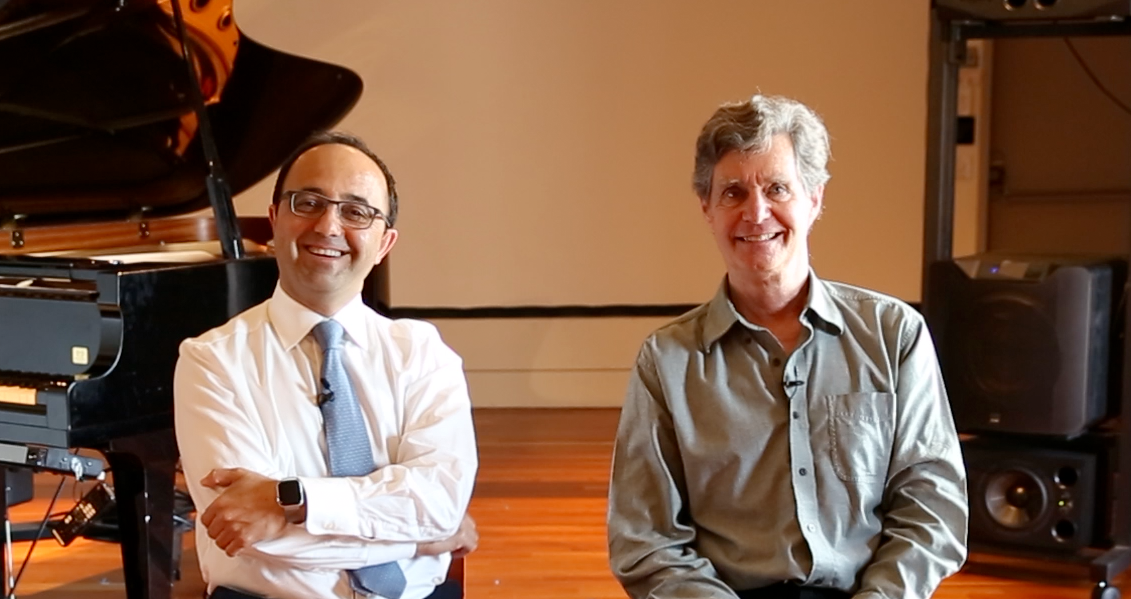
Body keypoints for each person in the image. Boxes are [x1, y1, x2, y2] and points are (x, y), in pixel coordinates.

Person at [606, 94, 968, 599]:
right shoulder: (666, 362)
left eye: (778, 188)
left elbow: (932, 510)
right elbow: (644, 541)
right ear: (706, 208)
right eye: (733, 192)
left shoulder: (895, 335)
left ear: (815, 198)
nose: (757, 214)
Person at [174, 131, 478, 599]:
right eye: (308, 202)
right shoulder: (211, 362)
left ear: (384, 243)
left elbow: (439, 501)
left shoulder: (424, 353)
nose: (328, 226)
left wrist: (292, 501)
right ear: (274, 222)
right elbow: (246, 535)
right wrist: (419, 538)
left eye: (356, 212)